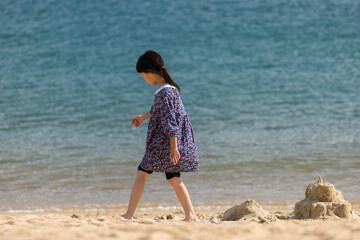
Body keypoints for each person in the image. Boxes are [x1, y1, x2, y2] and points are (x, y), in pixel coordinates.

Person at [121, 50, 199, 222]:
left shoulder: (165, 92)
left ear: (150, 72)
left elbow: (171, 120)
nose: (144, 79)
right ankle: (191, 215)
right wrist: (142, 117)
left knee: (142, 173)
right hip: (167, 143)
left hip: (163, 144)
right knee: (173, 177)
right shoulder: (167, 90)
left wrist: (173, 148)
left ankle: (129, 215)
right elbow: (158, 111)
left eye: (143, 75)